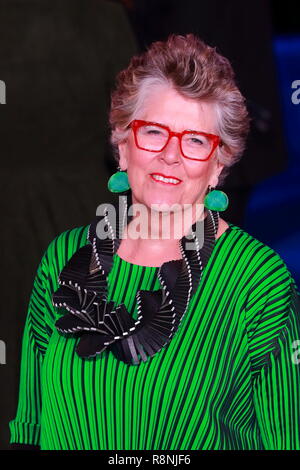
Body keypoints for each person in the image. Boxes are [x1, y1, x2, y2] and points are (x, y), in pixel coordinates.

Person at [9, 34, 300, 450]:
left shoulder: (258, 282)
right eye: (153, 132)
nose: (171, 155)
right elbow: (30, 428)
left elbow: (284, 440)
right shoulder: (63, 258)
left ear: (219, 165)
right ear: (123, 145)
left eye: (196, 141)